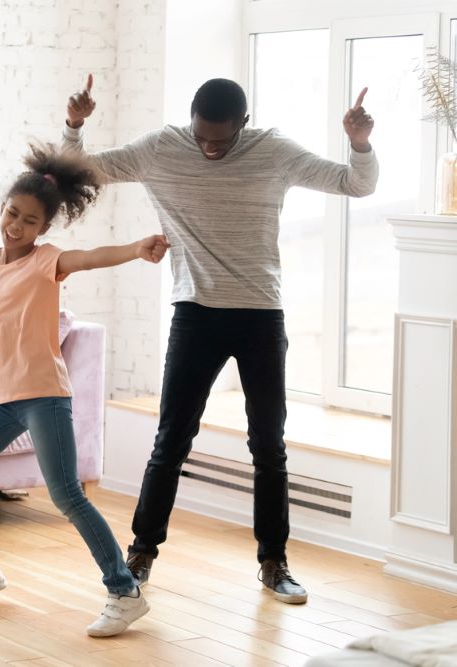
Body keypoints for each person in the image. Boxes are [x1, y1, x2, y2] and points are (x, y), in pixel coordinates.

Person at [62, 75, 377, 604]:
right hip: (195, 313)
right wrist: (74, 126)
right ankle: (140, 552)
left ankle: (274, 563)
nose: (210, 148)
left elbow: (355, 184)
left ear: (243, 126)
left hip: (260, 315)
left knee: (268, 446)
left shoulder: (272, 150)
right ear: (190, 119)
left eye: (221, 140)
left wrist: (360, 144)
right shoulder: (161, 148)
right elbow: (82, 171)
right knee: (170, 440)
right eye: (202, 136)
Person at [0, 142, 169, 638]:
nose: (16, 226)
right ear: (1, 210)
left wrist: (133, 249)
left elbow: (91, 257)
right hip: (5, 399)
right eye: (12, 214)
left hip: (44, 396)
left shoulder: (46, 261)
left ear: (44, 229)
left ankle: (125, 591)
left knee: (67, 497)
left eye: (29, 221)